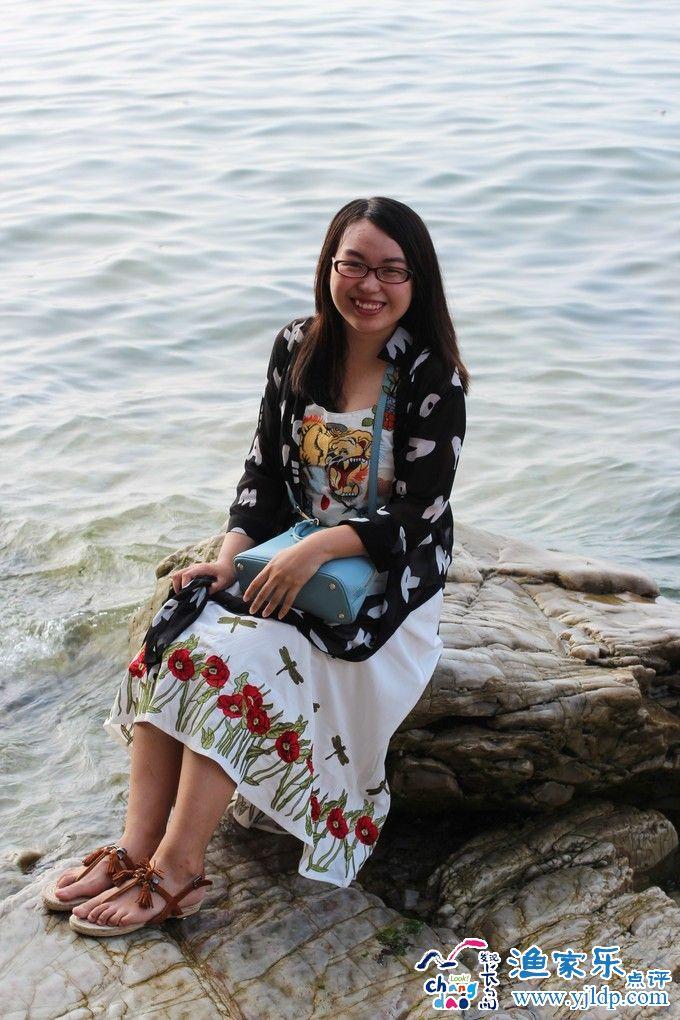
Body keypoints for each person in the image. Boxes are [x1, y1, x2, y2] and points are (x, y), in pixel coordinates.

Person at [43, 196, 469, 936]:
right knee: (178, 627)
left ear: (417, 281)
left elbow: (419, 515)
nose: (370, 286)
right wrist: (228, 561)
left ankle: (181, 870)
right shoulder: (298, 347)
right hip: (284, 557)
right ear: (328, 267)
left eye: (392, 271)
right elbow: (263, 474)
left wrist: (319, 547)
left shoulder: (433, 376)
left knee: (239, 659)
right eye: (354, 265)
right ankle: (136, 848)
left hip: (383, 586)